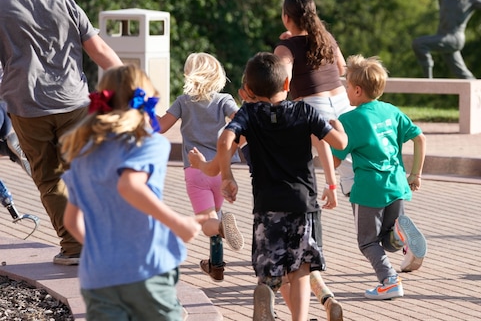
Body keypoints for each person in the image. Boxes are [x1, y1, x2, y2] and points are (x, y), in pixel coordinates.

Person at [188, 52, 348, 321]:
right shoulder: (304, 111)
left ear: (248, 90)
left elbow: (226, 141)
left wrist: (219, 173)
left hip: (267, 206)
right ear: (287, 84)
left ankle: (267, 291)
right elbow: (339, 144)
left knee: (272, 267)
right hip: (303, 204)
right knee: (301, 268)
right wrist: (340, 129)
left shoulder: (248, 114)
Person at [0, 0, 123, 265]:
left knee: (50, 178)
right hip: (74, 104)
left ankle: (74, 247)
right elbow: (102, 53)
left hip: (27, 109)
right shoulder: (66, 3)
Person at [60, 64, 202, 320]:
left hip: (98, 277)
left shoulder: (83, 152)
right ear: (146, 100)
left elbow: (71, 221)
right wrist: (178, 222)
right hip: (145, 269)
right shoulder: (150, 142)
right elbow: (129, 185)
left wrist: (104, 252)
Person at [331, 54, 428, 300]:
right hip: (396, 184)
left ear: (358, 90)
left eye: (347, 88)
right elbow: (420, 138)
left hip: (368, 190)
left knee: (367, 242)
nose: (345, 92)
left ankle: (389, 281)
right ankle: (400, 234)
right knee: (386, 240)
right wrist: (415, 174)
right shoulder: (391, 111)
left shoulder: (349, 120)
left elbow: (336, 159)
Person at [158, 52, 244, 283]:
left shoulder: (183, 101)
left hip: (196, 171)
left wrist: (140, 111)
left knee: (208, 222)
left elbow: (160, 127)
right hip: (219, 169)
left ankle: (223, 229)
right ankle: (215, 265)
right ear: (218, 75)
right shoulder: (224, 99)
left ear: (189, 75)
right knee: (215, 215)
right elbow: (242, 122)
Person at [274, 0, 355, 200]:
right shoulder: (326, 38)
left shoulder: (286, 48)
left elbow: (283, 79)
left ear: (286, 18)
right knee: (352, 167)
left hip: (312, 105)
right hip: (342, 102)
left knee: (293, 159)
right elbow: (342, 69)